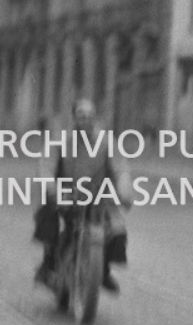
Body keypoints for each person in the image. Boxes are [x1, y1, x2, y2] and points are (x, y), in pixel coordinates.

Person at [35, 98, 128, 293]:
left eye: (89, 116)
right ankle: (48, 263)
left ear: (95, 118)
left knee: (117, 230)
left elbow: (120, 168)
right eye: (81, 116)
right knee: (48, 216)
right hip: (66, 194)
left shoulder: (106, 142)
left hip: (98, 196)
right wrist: (51, 189)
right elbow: (46, 167)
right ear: (74, 118)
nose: (85, 120)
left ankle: (102, 270)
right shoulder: (60, 140)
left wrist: (125, 189)